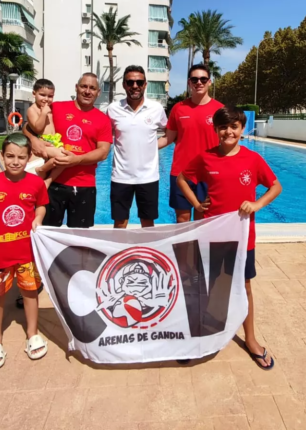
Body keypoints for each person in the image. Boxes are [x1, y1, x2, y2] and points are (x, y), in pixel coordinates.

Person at [177, 105, 282, 370]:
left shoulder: (252, 159)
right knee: (210, 286)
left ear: (241, 128)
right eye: (223, 127)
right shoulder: (206, 158)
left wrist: (257, 204)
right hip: (212, 234)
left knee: (244, 286)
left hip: (242, 237)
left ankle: (251, 339)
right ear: (216, 130)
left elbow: (275, 186)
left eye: (234, 126)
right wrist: (197, 204)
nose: (228, 131)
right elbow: (181, 178)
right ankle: (201, 335)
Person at [0, 133, 49, 371]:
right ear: (2, 156)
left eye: (21, 157)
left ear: (29, 158)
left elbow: (41, 206)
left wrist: (38, 219)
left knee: (30, 294)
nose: (15, 161)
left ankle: (32, 334)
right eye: (10, 156)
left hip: (27, 253)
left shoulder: (35, 183)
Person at [24, 73, 112, 228]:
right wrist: (33, 140)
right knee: (47, 232)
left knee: (81, 238)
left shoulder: (103, 119)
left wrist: (77, 160)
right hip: (54, 184)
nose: (87, 91)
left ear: (98, 92)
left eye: (92, 88)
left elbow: (103, 152)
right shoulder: (56, 107)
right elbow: (29, 125)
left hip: (85, 185)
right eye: (84, 86)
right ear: (77, 88)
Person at [159, 64, 223, 223]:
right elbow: (168, 138)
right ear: (189, 82)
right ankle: (183, 249)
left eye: (203, 79)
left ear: (209, 82)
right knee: (182, 220)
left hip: (209, 173)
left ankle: (199, 250)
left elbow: (228, 141)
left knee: (202, 221)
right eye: (194, 79)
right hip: (181, 173)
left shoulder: (220, 110)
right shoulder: (178, 109)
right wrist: (141, 146)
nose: (199, 82)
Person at [106, 66, 168, 228]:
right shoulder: (113, 109)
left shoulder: (156, 108)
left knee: (148, 223)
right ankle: (118, 253)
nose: (135, 86)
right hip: (120, 176)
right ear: (124, 85)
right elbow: (104, 136)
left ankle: (146, 254)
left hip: (148, 177)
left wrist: (152, 147)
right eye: (130, 82)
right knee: (120, 222)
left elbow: (170, 134)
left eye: (139, 82)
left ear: (145, 84)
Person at [26, 79, 66, 186]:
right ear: (34, 93)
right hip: (44, 141)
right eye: (42, 95)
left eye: (50, 96)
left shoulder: (50, 108)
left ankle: (47, 181)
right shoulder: (32, 110)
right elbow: (37, 129)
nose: (46, 99)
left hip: (55, 140)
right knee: (62, 157)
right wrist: (43, 113)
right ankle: (41, 170)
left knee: (66, 160)